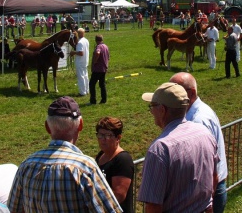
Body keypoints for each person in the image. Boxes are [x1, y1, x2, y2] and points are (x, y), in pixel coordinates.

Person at [7, 96, 122, 213]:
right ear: (80, 125)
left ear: (47, 127)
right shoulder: (85, 167)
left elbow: (12, 209)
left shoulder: (26, 166)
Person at [138, 82, 219, 212]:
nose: (151, 111)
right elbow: (214, 178)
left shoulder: (160, 149)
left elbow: (153, 206)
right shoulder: (205, 133)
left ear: (162, 110)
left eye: (152, 106)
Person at [169, 72, 228, 212]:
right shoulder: (197, 112)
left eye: (176, 90)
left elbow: (204, 165)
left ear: (191, 93)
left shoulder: (198, 120)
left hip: (207, 190)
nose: (170, 95)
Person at [95, 117, 134, 213]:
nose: (103, 139)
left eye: (108, 135)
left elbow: (118, 196)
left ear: (118, 138)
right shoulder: (101, 155)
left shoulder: (123, 160)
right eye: (100, 135)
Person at [89, 35, 110, 105]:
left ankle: (93, 100)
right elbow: (108, 58)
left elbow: (98, 52)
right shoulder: (106, 47)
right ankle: (104, 100)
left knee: (92, 84)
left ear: (96, 40)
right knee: (102, 84)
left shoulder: (99, 46)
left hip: (97, 69)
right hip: (104, 68)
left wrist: (94, 61)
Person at [70, 28, 89, 96]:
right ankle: (86, 90)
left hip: (80, 62)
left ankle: (82, 92)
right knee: (85, 76)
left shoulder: (80, 42)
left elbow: (81, 53)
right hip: (85, 61)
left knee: (81, 77)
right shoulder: (86, 40)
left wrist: (73, 52)